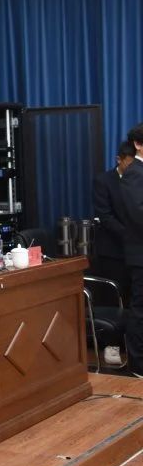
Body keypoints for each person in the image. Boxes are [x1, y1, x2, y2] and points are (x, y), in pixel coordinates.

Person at [92, 140, 137, 367]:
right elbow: (105, 216)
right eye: (129, 163)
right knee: (114, 298)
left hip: (137, 251)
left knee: (135, 301)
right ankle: (112, 345)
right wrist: (131, 235)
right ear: (119, 159)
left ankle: (134, 347)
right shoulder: (104, 181)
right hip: (113, 251)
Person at [119, 123, 143, 378]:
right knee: (140, 310)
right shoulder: (135, 173)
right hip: (141, 254)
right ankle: (138, 365)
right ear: (137, 144)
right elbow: (138, 214)